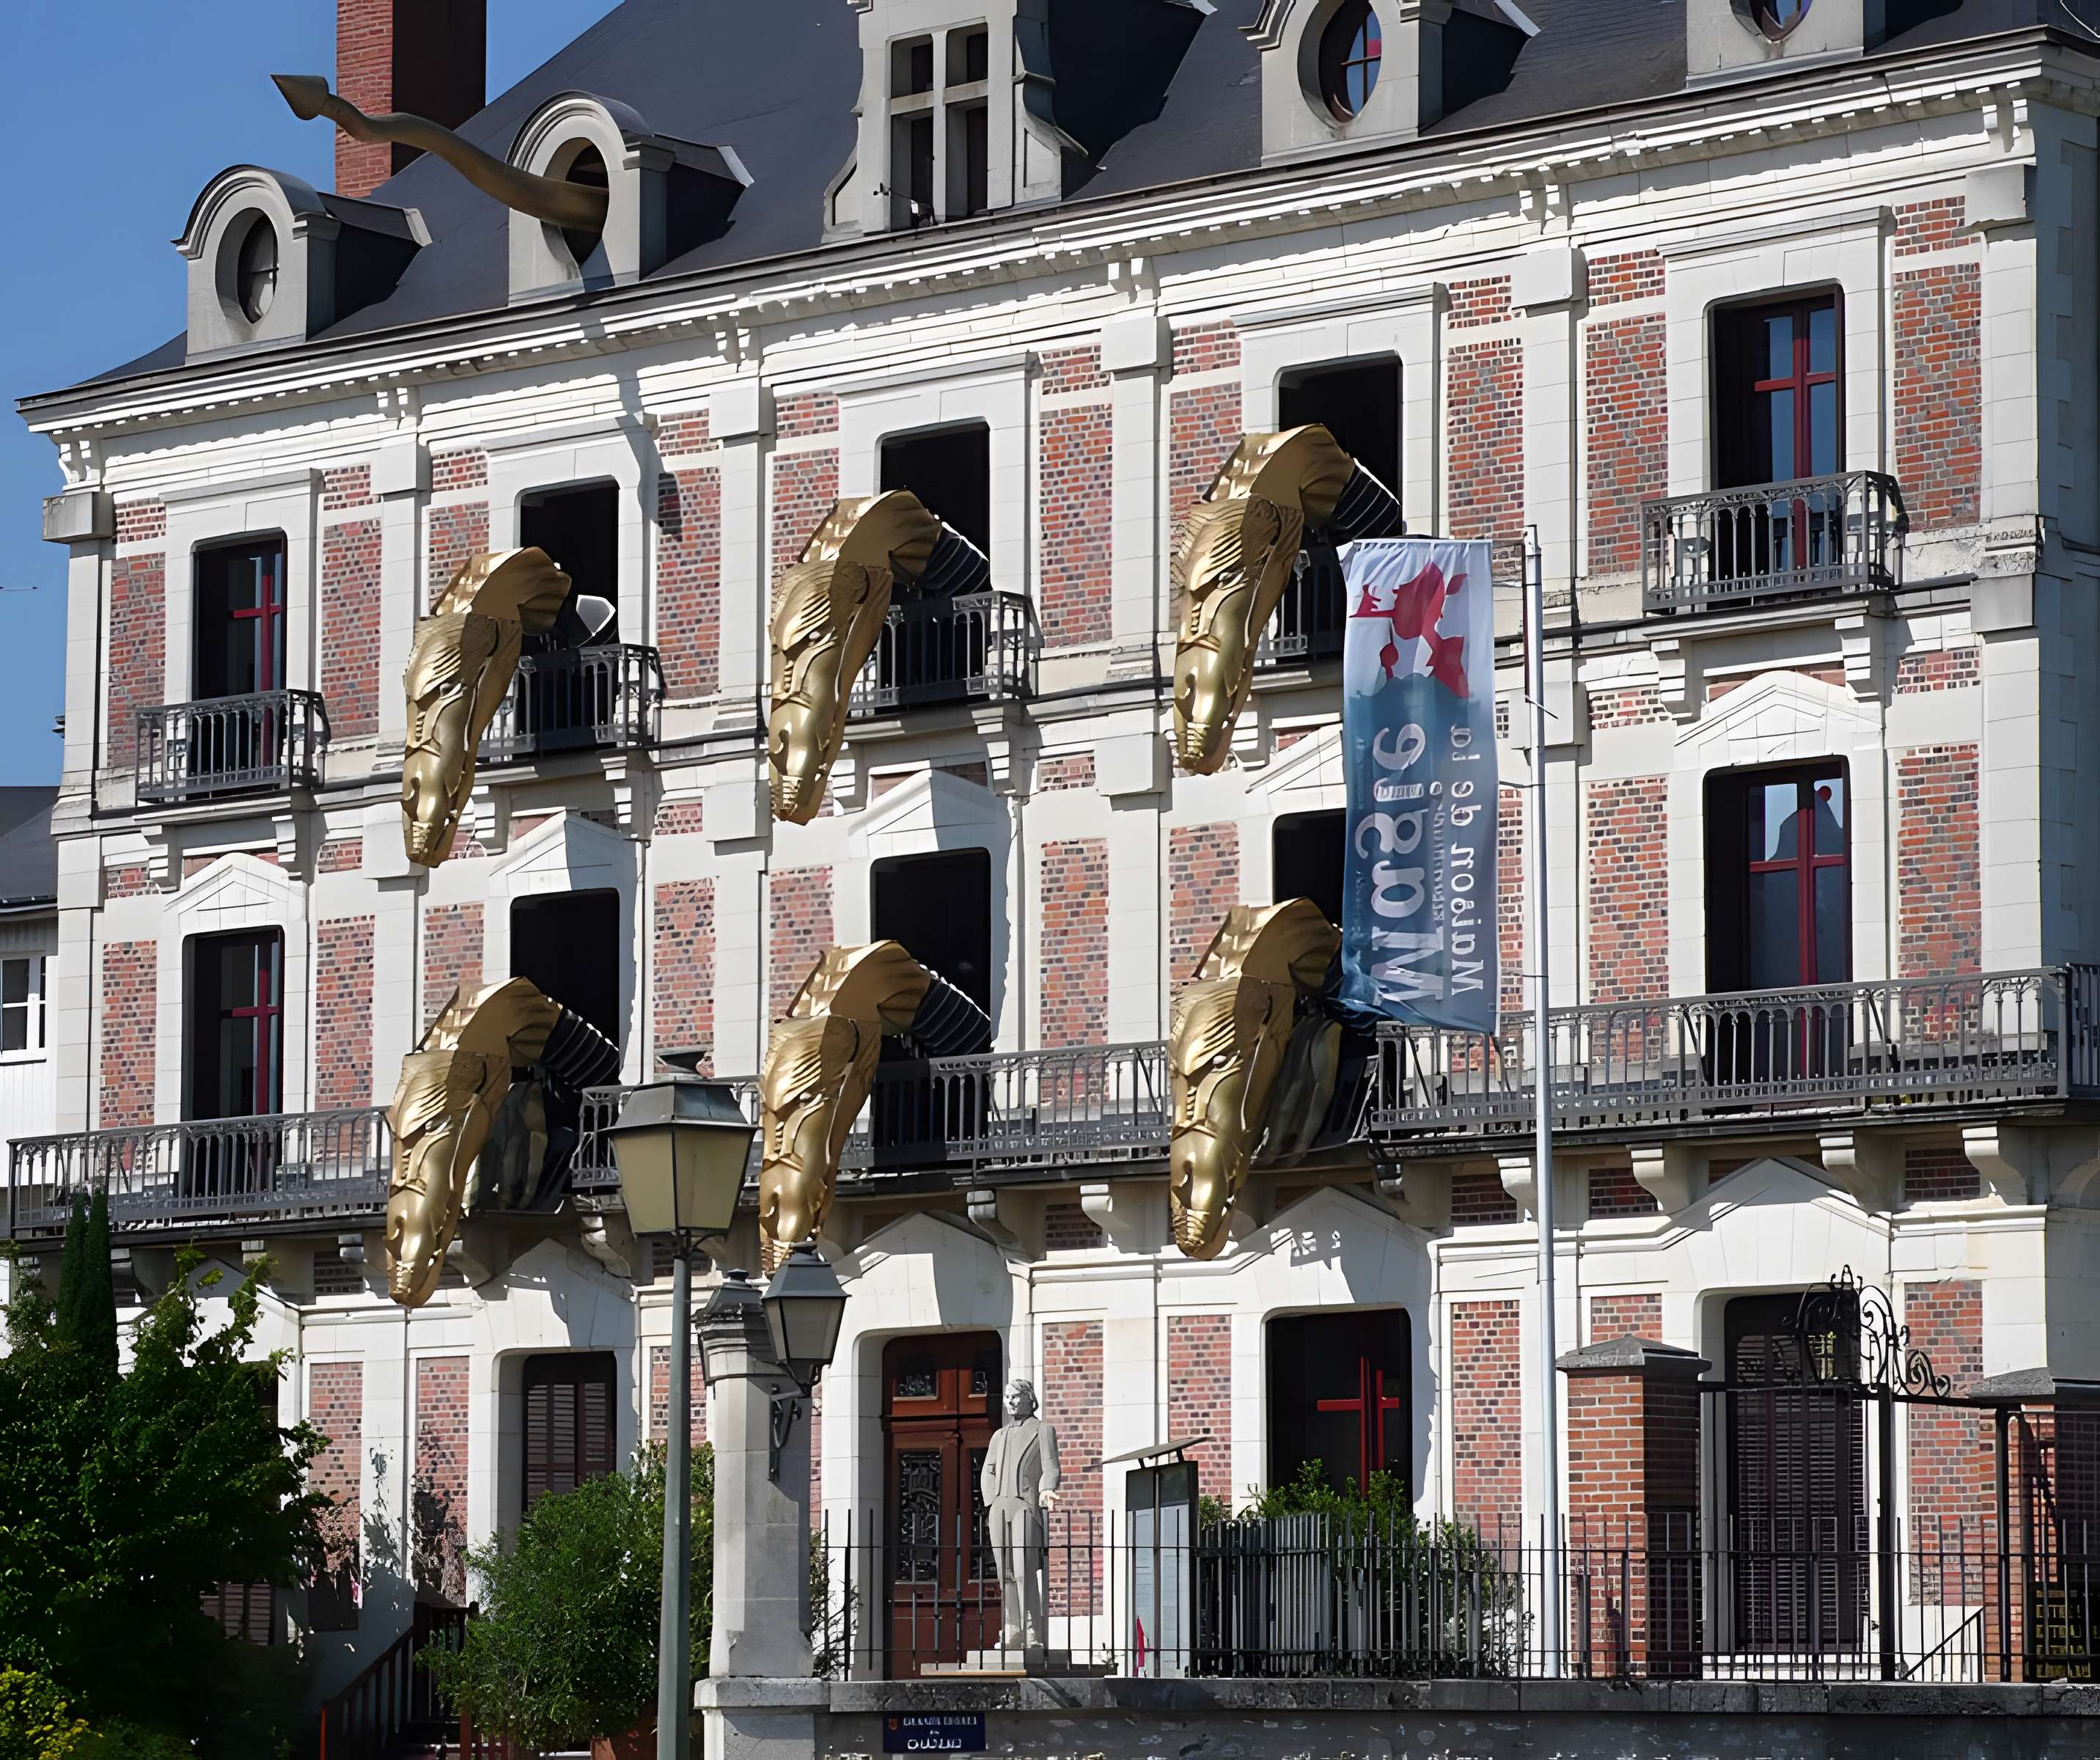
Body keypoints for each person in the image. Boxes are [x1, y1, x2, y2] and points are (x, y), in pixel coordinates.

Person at [979, 1376, 1061, 1652]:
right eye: (1007, 1397)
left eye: (1016, 1396)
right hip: (1000, 1506)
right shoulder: (999, 1435)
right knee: (1006, 1572)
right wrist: (991, 1500)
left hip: (1025, 1504)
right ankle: (1011, 1628)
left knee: (1024, 1568)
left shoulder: (1043, 1430)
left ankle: (1031, 1629)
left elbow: (1051, 1467)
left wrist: (1047, 1489)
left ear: (1030, 1397)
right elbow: (988, 1469)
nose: (1011, 1402)